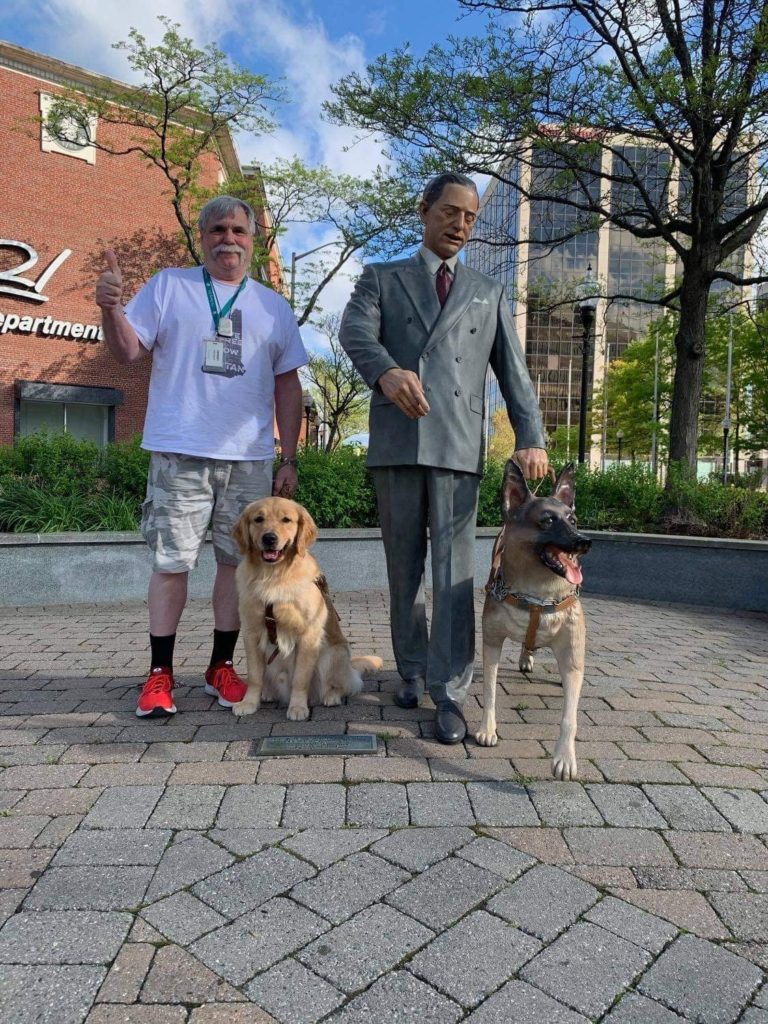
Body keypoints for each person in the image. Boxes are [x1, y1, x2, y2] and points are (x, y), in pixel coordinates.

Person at [340, 172, 548, 744]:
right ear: (424, 209)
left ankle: (452, 690)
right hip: (398, 443)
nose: (460, 225)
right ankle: (410, 669)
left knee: (455, 575)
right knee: (403, 568)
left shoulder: (488, 290)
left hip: (458, 446)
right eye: (450, 212)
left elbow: (514, 371)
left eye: (471, 218)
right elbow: (354, 331)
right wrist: (385, 372)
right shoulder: (381, 277)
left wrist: (531, 435)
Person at [96, 195, 307, 718]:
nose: (228, 239)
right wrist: (110, 308)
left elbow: (288, 385)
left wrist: (289, 457)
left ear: (252, 239)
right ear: (202, 236)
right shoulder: (170, 286)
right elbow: (127, 352)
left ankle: (220, 667)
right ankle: (159, 675)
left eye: (238, 230)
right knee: (171, 564)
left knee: (236, 566)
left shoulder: (272, 307)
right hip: (179, 453)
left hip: (250, 460)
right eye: (217, 229)